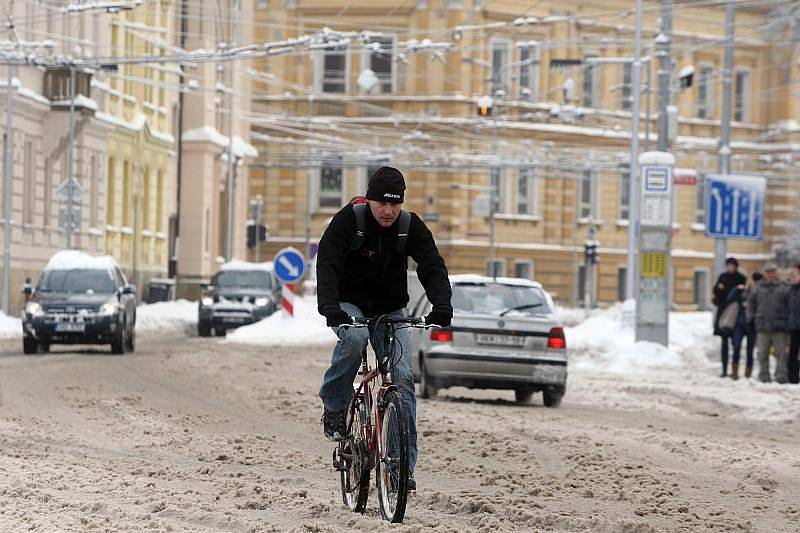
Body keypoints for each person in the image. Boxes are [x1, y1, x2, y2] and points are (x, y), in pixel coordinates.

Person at [316, 166, 453, 492]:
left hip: (391, 309)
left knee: (403, 379)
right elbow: (328, 261)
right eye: (382, 204)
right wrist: (331, 308)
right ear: (370, 200)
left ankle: (399, 467)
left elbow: (432, 265)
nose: (389, 211)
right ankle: (335, 404)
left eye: (395, 204)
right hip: (350, 304)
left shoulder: (409, 227)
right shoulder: (350, 220)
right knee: (356, 337)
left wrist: (442, 304)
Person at [747, 263, 790, 383]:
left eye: (773, 272)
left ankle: (781, 376)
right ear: (764, 274)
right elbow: (750, 303)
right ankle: (764, 376)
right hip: (762, 326)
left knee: (781, 354)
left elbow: (790, 305)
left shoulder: (784, 287)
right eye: (768, 272)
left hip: (780, 326)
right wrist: (751, 318)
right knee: (762, 354)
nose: (771, 274)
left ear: (776, 273)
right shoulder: (757, 287)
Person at [712, 257, 746, 377]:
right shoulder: (723, 276)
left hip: (736, 315)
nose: (730, 267)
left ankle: (734, 370)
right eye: (729, 265)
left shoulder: (741, 278)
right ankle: (724, 369)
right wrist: (720, 289)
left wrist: (725, 289)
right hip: (723, 314)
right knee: (724, 343)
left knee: (736, 345)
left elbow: (741, 294)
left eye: (732, 265)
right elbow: (716, 292)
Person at [743, 272, 763, 378]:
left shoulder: (759, 291)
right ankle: (750, 371)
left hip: (756, 323)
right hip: (751, 324)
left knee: (757, 349)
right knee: (753, 349)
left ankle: (751, 371)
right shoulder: (749, 290)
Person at [787, 265, 800, 385]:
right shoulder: (788, 290)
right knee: (792, 354)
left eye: (794, 275)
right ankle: (793, 379)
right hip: (793, 327)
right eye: (790, 276)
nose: (792, 278)